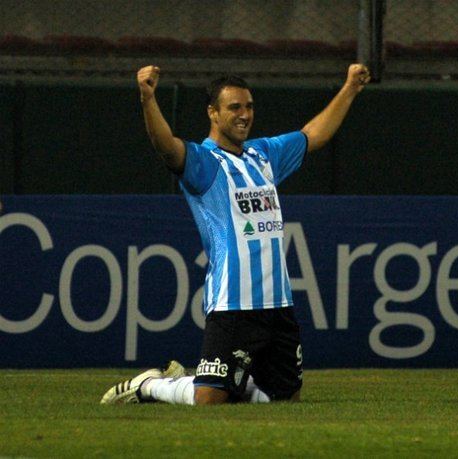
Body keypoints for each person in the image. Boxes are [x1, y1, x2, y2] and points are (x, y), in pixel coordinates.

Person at [101, 63, 370, 405]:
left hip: (279, 303)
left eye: (249, 107)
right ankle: (152, 385)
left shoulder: (263, 155)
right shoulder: (205, 162)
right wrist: (148, 98)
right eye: (234, 108)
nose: (244, 115)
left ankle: (235, 383)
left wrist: (349, 88)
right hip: (233, 302)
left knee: (285, 400)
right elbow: (166, 146)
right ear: (212, 112)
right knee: (209, 400)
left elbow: (313, 135)